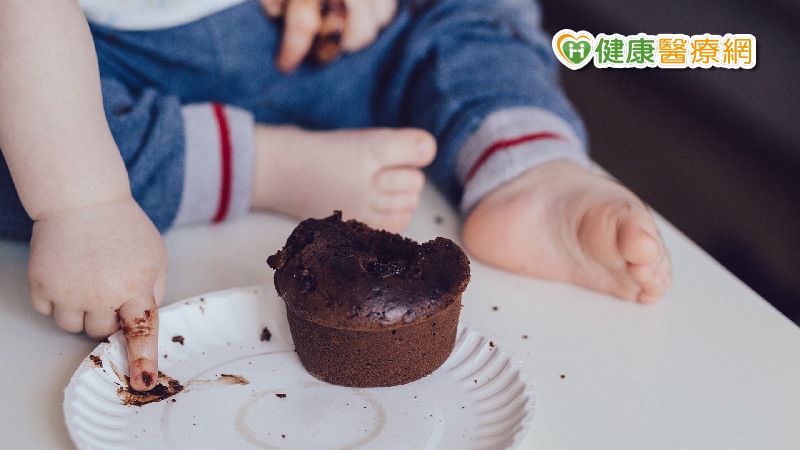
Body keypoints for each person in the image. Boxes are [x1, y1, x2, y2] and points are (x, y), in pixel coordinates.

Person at [0, 0, 672, 392]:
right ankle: (265, 164)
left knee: (471, 14)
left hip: (335, 44)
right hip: (91, 73)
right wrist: (82, 203)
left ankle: (523, 162)